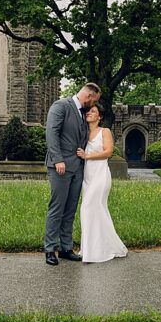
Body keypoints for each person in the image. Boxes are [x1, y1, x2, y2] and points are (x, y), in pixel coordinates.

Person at [43, 82, 100, 265]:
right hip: (60, 166)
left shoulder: (83, 113)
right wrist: (58, 159)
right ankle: (50, 248)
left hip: (77, 168)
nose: (93, 106)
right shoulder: (61, 106)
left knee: (70, 210)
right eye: (94, 101)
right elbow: (52, 132)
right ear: (89, 97)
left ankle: (66, 248)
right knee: (57, 208)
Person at [76, 103, 127, 263]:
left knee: (87, 207)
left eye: (93, 111)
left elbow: (108, 152)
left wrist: (87, 156)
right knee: (96, 211)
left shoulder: (105, 131)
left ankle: (93, 252)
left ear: (100, 117)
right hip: (87, 176)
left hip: (100, 175)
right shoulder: (83, 133)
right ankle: (96, 247)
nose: (89, 114)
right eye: (88, 111)